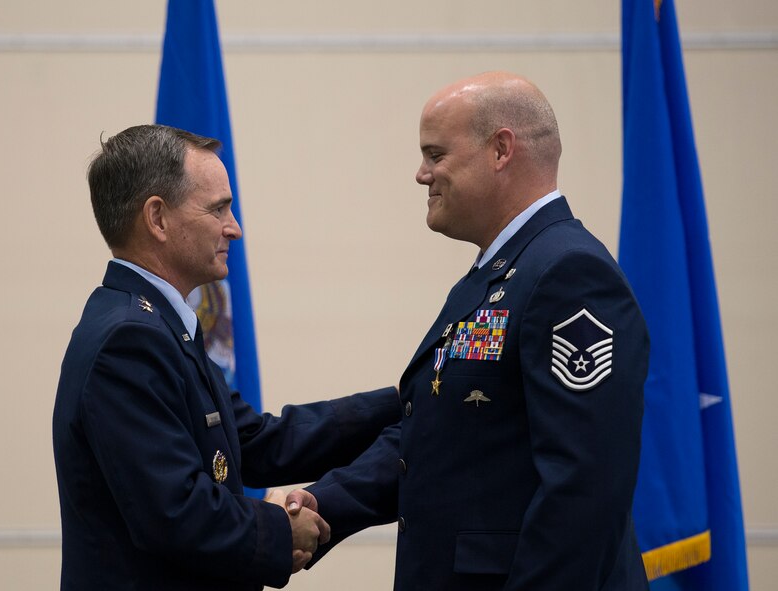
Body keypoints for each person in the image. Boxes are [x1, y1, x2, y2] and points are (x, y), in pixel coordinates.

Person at [286, 72, 651, 589]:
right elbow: (437, 433)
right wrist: (325, 505)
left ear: (501, 149)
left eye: (435, 154)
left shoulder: (568, 275)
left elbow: (586, 490)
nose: (421, 174)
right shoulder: (499, 274)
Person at [52, 124, 401, 590]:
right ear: (157, 218)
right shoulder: (129, 340)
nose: (234, 228)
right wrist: (282, 528)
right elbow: (175, 511)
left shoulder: (155, 324)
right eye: (218, 209)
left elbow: (254, 442)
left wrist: (399, 400)